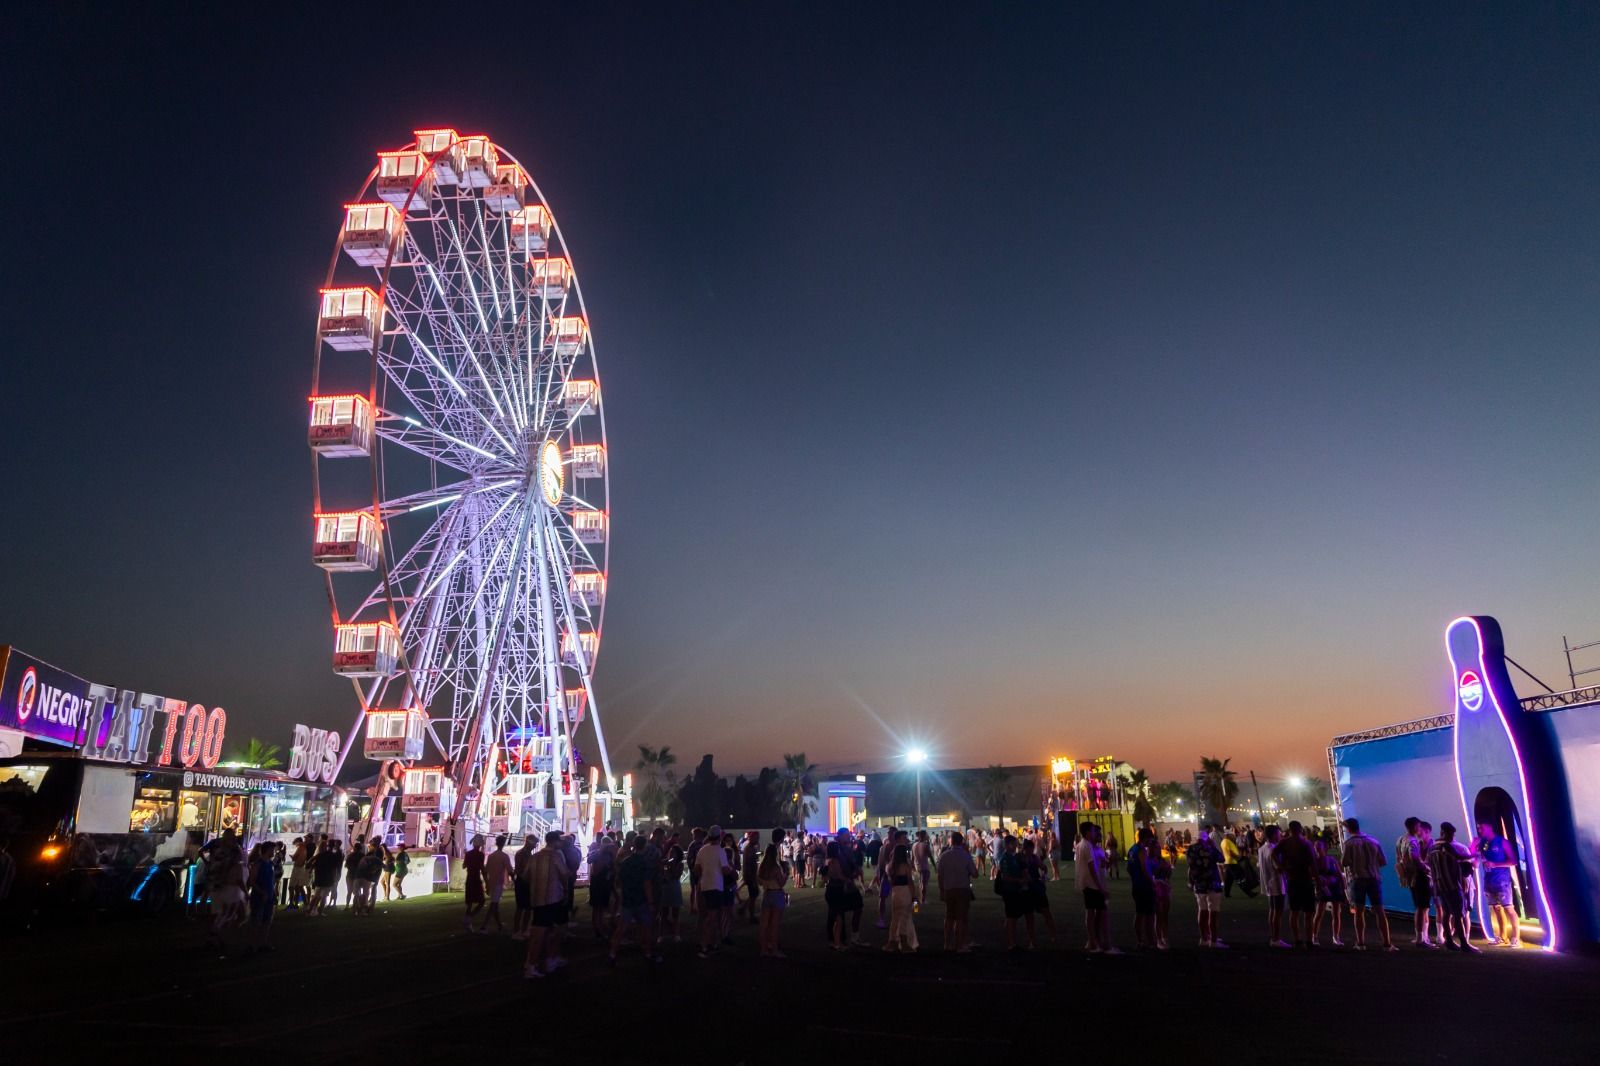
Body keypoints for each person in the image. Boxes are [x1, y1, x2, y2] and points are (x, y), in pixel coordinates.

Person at [1340, 817, 1396, 951]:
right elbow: (1383, 861)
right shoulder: (1373, 841)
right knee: (1380, 910)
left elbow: (1344, 862)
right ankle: (1387, 943)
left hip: (1358, 879)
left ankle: (1360, 943)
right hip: (1374, 878)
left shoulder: (1349, 844)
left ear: (1348, 828)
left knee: (1359, 911)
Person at [523, 831, 571, 979]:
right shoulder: (555, 856)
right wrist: (566, 890)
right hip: (552, 898)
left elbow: (525, 876)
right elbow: (564, 874)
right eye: (559, 841)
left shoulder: (535, 856)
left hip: (537, 899)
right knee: (551, 931)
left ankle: (533, 962)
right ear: (555, 842)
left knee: (539, 932)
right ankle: (544, 961)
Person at [1428, 822, 1481, 953]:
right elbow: (1460, 857)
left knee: (1446, 913)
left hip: (1440, 885)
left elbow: (1430, 865)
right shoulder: (1446, 845)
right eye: (1450, 834)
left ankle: (1450, 942)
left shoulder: (1432, 847)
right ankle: (1464, 943)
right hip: (1452, 884)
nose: (1452, 838)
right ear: (1444, 833)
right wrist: (1474, 855)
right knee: (1458, 914)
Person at [610, 837, 661, 965]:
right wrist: (651, 902)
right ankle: (648, 952)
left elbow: (619, 880)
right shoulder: (644, 863)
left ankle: (612, 954)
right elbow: (647, 883)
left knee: (621, 928)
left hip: (628, 898)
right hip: (641, 899)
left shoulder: (626, 861)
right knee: (646, 928)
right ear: (644, 847)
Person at [1475, 822, 1521, 948]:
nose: (1480, 830)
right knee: (1496, 908)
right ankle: (1502, 937)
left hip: (1502, 880)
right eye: (1478, 828)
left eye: (1482, 827)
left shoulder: (1502, 842)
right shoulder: (1483, 843)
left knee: (1508, 908)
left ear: (1490, 827)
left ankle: (1516, 938)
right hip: (1489, 880)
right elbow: (1476, 856)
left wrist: (1495, 864)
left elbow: (1514, 861)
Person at [1074, 822, 1117, 953]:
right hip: (1092, 885)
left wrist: (1108, 862)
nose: (1096, 834)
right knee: (1099, 913)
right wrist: (1101, 888)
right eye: (1094, 831)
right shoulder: (1086, 846)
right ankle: (1099, 943)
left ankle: (1094, 941)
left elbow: (1100, 867)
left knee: (1096, 913)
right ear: (1088, 833)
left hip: (1092, 884)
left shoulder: (1087, 846)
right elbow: (1091, 868)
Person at [1275, 821, 1318, 948]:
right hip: (1305, 879)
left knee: (1294, 912)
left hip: (1292, 880)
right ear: (1300, 829)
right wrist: (1319, 882)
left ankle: (1297, 940)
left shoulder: (1284, 842)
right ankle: (1309, 940)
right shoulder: (1306, 843)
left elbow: (1273, 854)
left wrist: (1280, 866)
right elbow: (1313, 864)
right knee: (1308, 912)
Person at [1186, 825, 1227, 949]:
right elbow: (1221, 858)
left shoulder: (1191, 849)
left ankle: (1204, 938)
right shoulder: (1210, 848)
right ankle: (1213, 941)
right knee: (1213, 913)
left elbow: (1190, 866)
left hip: (1199, 884)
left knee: (1202, 910)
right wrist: (1212, 845)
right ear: (1206, 839)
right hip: (1212, 883)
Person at [1397, 817, 1436, 948]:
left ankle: (1421, 936)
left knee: (1420, 908)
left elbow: (1399, 857)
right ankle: (1421, 939)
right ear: (1414, 827)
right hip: (1419, 877)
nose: (1420, 829)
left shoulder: (1401, 839)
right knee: (1422, 907)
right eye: (1419, 826)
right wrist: (1426, 868)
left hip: (1410, 877)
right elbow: (1415, 858)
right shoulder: (1413, 841)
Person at [695, 826, 733, 958]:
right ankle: (704, 945)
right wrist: (731, 869)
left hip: (704, 885)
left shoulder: (702, 850)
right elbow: (725, 870)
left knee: (711, 915)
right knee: (711, 917)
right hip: (715, 886)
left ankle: (711, 943)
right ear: (719, 837)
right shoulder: (720, 851)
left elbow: (697, 869)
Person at [937, 830, 978, 952]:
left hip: (949, 889)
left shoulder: (944, 856)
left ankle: (946, 944)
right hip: (962, 889)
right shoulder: (965, 855)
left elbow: (940, 875)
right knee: (960, 918)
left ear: (951, 841)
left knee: (949, 917)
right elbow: (975, 874)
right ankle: (959, 945)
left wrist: (941, 890)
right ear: (962, 842)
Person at [996, 834, 1033, 950]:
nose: (1016, 845)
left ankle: (1011, 940)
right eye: (1013, 843)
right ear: (1007, 845)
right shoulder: (1005, 858)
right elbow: (1005, 877)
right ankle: (1011, 943)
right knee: (1011, 917)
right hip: (1009, 891)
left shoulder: (1014, 856)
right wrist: (1020, 880)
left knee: (1013, 916)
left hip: (1015, 890)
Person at [757, 830, 790, 958]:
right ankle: (774, 949)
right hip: (776, 894)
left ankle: (764, 948)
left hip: (766, 894)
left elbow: (759, 881)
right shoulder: (776, 868)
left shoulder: (762, 866)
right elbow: (781, 883)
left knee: (764, 924)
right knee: (774, 925)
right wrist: (786, 873)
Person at [1311, 832, 1347, 947]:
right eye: (1315, 848)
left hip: (1335, 887)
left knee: (1336, 912)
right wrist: (1319, 883)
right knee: (1319, 912)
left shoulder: (1331, 860)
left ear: (1324, 848)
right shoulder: (1314, 862)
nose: (1317, 850)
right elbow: (1312, 875)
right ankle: (1314, 936)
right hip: (1323, 888)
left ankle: (1336, 937)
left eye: (1318, 848)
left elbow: (1339, 875)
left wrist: (1343, 888)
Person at [885, 840, 919, 952]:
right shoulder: (905, 866)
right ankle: (904, 943)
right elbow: (910, 882)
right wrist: (914, 896)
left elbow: (890, 881)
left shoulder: (890, 866)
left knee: (895, 918)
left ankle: (892, 942)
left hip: (895, 892)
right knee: (904, 917)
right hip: (905, 892)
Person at [1258, 825, 1289, 947]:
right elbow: (1279, 868)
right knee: (1278, 912)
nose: (1280, 835)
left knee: (1272, 910)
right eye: (1278, 833)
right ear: (1272, 835)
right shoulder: (1273, 850)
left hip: (1268, 883)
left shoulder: (1262, 849)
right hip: (1277, 883)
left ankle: (1273, 937)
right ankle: (1276, 939)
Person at [1021, 837, 1056, 944]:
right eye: (1029, 849)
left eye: (1031, 849)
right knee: (1030, 916)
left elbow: (1043, 867)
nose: (1030, 851)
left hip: (1035, 888)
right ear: (1025, 849)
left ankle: (1053, 936)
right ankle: (1033, 940)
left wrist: (1043, 876)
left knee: (1045, 913)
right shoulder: (1022, 858)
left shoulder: (1033, 858)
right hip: (1029, 889)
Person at [1127, 827, 1157, 949]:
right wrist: (1152, 882)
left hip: (1136, 886)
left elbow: (1128, 868)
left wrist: (1135, 877)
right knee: (1149, 915)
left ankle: (1140, 940)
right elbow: (1145, 869)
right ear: (1146, 838)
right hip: (1145, 886)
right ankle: (1150, 941)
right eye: (1150, 839)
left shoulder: (1131, 849)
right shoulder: (1141, 851)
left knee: (1139, 913)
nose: (1151, 842)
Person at [245, 840, 278, 952]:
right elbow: (252, 881)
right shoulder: (259, 863)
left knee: (267, 921)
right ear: (267, 850)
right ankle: (253, 944)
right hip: (259, 896)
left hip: (268, 894)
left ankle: (263, 943)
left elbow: (271, 880)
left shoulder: (270, 863)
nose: (274, 851)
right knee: (256, 921)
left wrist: (273, 891)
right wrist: (261, 892)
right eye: (272, 849)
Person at [476, 834, 512, 933]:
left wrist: (487, 883)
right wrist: (514, 879)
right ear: (503, 844)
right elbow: (510, 870)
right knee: (494, 905)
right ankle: (484, 926)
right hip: (498, 883)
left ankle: (499, 924)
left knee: (495, 905)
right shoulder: (504, 856)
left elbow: (486, 870)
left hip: (492, 882)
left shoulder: (492, 856)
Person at [657, 833, 685, 943]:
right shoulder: (664, 861)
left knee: (675, 913)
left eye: (673, 852)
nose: (671, 854)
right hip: (666, 888)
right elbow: (660, 872)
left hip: (674, 887)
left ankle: (676, 934)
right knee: (663, 913)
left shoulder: (680, 864)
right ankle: (661, 935)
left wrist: (670, 865)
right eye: (670, 852)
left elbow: (676, 875)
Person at [1148, 832, 1173, 949]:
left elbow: (1168, 873)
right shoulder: (1149, 861)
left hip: (1165, 887)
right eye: (1156, 848)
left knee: (1165, 915)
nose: (1158, 849)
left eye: (1159, 847)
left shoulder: (1162, 860)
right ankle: (1159, 939)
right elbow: (1150, 874)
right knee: (1159, 914)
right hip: (1156, 888)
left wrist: (1167, 869)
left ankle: (1165, 936)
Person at [512, 835, 537, 940]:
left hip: (526, 882)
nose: (535, 845)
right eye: (534, 843)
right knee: (521, 907)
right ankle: (517, 931)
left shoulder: (528, 854)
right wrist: (526, 878)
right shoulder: (521, 854)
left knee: (528, 907)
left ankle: (524, 930)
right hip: (522, 882)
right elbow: (518, 870)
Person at [310, 838, 343, 915]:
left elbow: (311, 862)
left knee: (316, 895)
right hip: (328, 877)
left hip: (319, 877)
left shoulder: (320, 855)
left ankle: (311, 910)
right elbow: (335, 866)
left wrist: (312, 868)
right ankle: (320, 911)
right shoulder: (333, 855)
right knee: (324, 896)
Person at [461, 834, 487, 931]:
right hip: (476, 878)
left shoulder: (468, 854)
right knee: (481, 902)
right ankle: (469, 919)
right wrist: (487, 882)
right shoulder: (481, 855)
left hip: (469, 879)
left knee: (470, 903)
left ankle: (467, 921)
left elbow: (464, 866)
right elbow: (482, 869)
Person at [1221, 829, 1252, 898]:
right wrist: (1238, 857)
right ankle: (1249, 893)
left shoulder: (1225, 841)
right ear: (1228, 835)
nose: (1233, 836)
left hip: (1228, 862)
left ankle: (1226, 893)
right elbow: (1230, 852)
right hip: (1232, 862)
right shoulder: (1226, 841)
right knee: (1241, 878)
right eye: (1232, 835)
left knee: (1228, 880)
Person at [912, 830, 933, 907]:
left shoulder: (914, 845)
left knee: (921, 883)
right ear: (924, 836)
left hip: (917, 866)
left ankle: (921, 898)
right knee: (923, 883)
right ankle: (922, 900)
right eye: (926, 835)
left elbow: (912, 858)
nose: (927, 836)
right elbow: (930, 856)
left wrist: (912, 866)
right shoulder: (925, 845)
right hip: (924, 866)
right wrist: (935, 866)